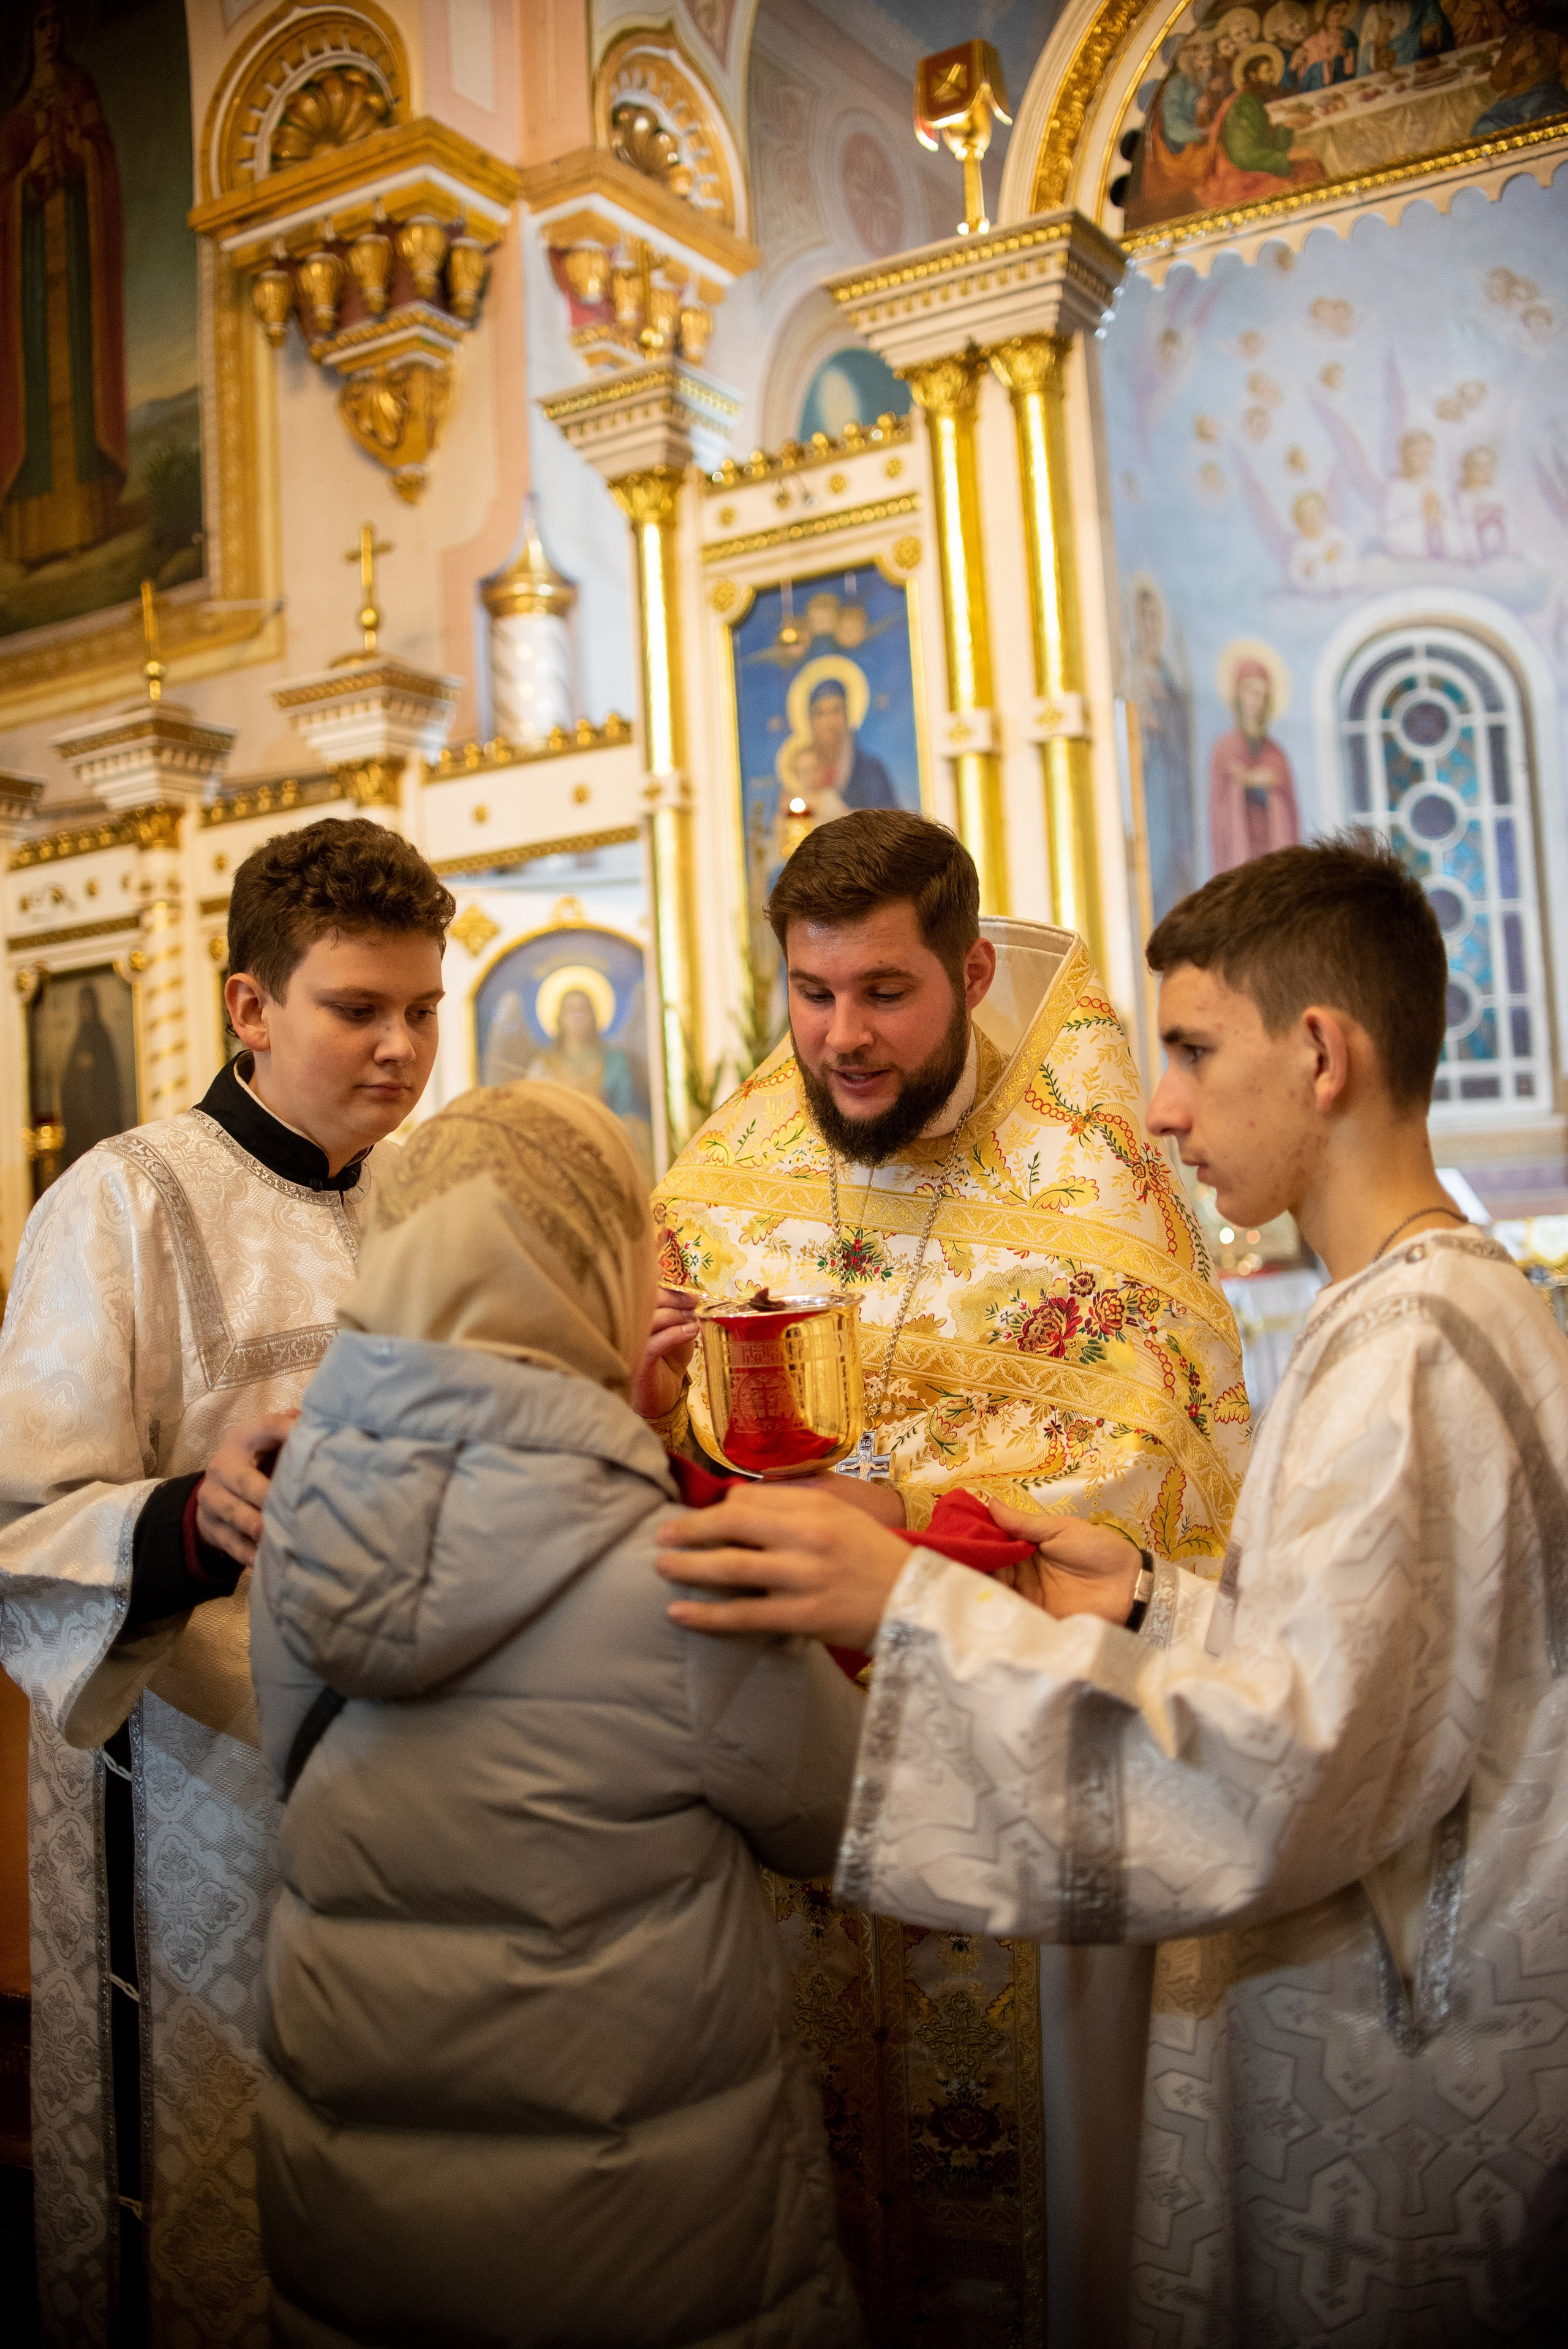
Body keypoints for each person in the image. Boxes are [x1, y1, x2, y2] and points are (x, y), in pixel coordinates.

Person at [658, 832, 1568, 2347]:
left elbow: (1277, 1781)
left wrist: (906, 1601)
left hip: (1400, 2046)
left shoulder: (1404, 1354)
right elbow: (1362, 1686)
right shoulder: (1421, 1313)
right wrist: (1152, 1599)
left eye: (1193, 1051)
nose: (1155, 1105)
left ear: (1320, 1054)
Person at [641, 809, 1247, 2343]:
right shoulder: (731, 1165)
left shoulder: (1092, 1180)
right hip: (782, 1800)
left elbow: (1140, 1488)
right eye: (810, 991)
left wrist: (890, 1516)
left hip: (1003, 1784)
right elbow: (650, 1446)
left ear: (968, 975)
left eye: (883, 994)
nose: (839, 1037)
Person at [248, 1080, 865, 2349]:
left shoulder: (299, 1522)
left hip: (364, 2224)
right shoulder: (680, 1576)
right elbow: (839, 1815)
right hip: (643, 2246)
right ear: (590, 1271)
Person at [0, 816, 452, 2348]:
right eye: (357, 1008)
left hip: (407, 1782)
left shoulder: (427, 1204)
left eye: (422, 1008)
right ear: (251, 1005)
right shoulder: (121, 1201)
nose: (400, 1048)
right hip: (196, 1798)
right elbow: (24, 1523)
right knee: (211, 2197)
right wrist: (196, 1516)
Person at [0, 2, 126, 564]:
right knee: (34, 392)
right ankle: (37, 538)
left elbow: (103, 155)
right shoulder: (14, 119)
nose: (51, 32)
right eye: (40, 23)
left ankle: (86, 519)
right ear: (27, 37)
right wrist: (27, 176)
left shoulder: (81, 89)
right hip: (29, 271)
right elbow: (5, 192)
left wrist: (79, 152)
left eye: (57, 21)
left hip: (76, 258)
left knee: (78, 374)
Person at [1208, 653, 1300, 872]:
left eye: (1261, 695)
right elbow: (1220, 807)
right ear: (1238, 697)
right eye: (1250, 692)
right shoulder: (1225, 749)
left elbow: (1289, 810)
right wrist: (1247, 781)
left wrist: (1266, 785)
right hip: (1238, 849)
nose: (1255, 702)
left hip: (1271, 848)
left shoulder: (1276, 755)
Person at [805, 675, 899, 810]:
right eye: (821, 713)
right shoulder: (799, 772)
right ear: (810, 720)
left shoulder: (871, 771)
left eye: (836, 711)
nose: (829, 721)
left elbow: (886, 819)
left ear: (847, 715)